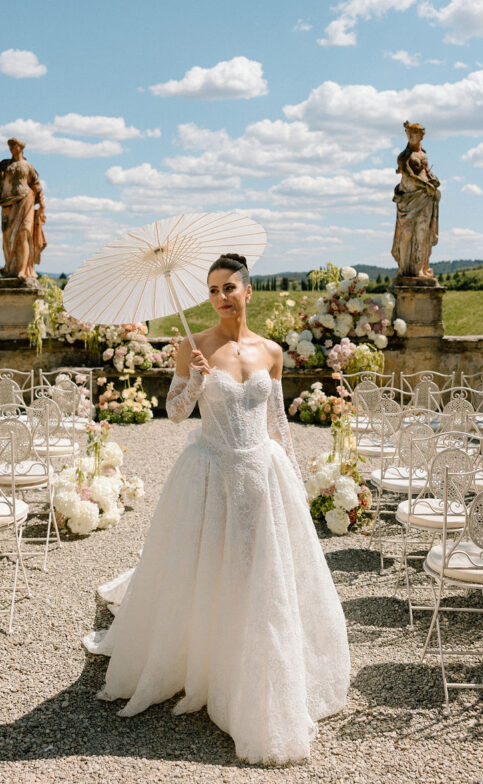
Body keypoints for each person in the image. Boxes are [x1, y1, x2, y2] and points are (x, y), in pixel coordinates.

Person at [82, 253, 350, 764]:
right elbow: (175, 412)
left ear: (249, 291)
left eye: (229, 287)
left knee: (262, 573)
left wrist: (294, 481)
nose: (221, 297)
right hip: (209, 471)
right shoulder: (192, 345)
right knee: (210, 567)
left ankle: (261, 672)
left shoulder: (272, 352)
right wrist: (197, 381)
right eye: (212, 290)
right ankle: (208, 664)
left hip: (262, 471)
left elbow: (277, 424)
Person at [0, 137, 46, 280]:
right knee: (7, 237)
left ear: (20, 148)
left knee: (24, 233)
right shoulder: (5, 165)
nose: (11, 148)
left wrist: (42, 204)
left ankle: (23, 271)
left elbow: (36, 185)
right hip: (8, 204)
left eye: (14, 145)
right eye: (10, 146)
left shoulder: (28, 166)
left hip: (26, 201)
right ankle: (11, 268)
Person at [391, 120, 440, 279]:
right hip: (409, 199)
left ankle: (420, 269)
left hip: (424, 198)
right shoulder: (403, 156)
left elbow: (425, 171)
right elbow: (409, 176)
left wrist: (433, 180)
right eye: (408, 133)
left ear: (421, 136)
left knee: (423, 232)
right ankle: (405, 269)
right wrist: (425, 185)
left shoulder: (423, 154)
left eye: (414, 133)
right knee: (406, 234)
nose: (410, 136)